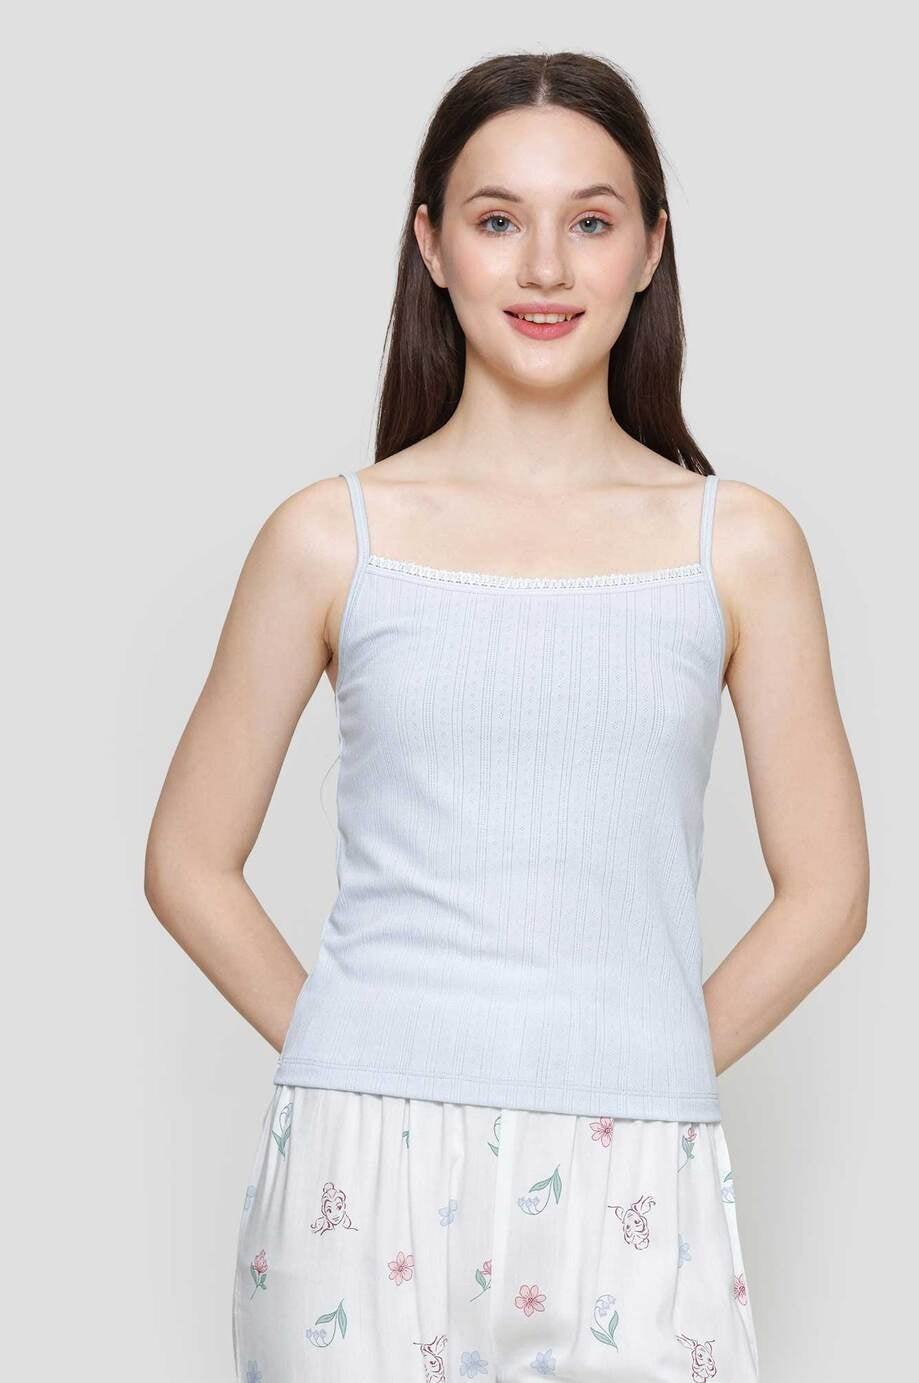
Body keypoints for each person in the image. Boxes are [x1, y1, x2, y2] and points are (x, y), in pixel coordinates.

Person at [144, 50, 869, 1382]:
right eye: (497, 220)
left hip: (636, 1157)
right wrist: (358, 1054)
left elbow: (828, 893)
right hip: (358, 1173)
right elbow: (188, 860)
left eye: (590, 221)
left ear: (651, 249)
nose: (544, 267)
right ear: (430, 245)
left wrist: (635, 1067)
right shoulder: (330, 537)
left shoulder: (739, 544)